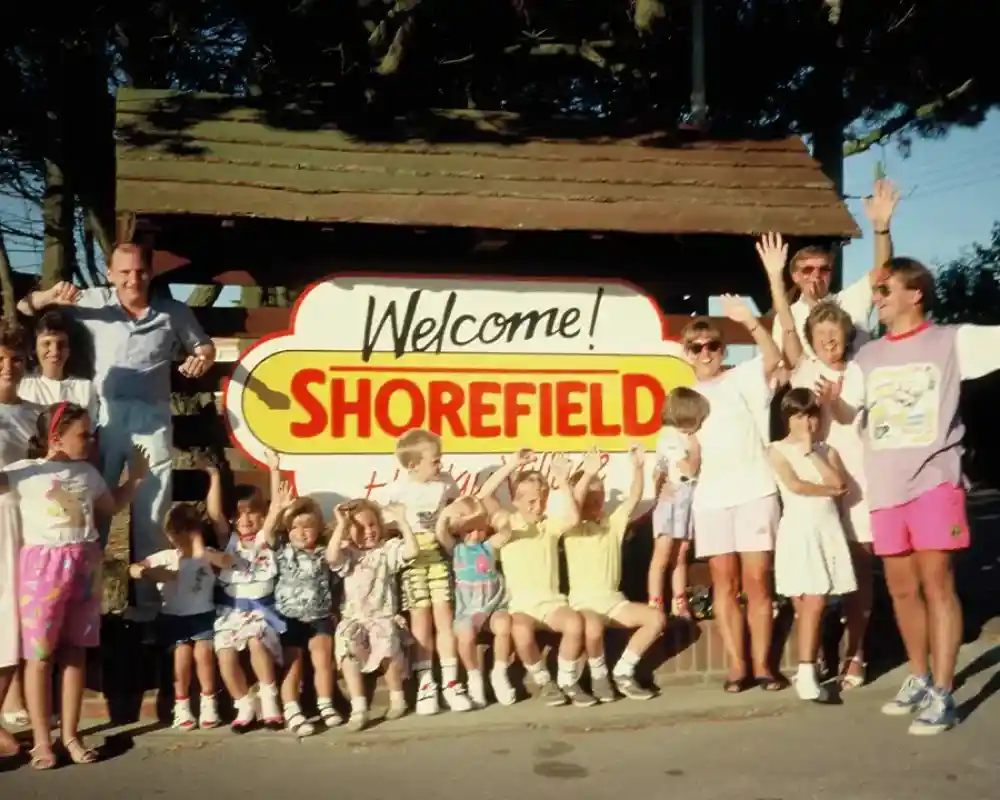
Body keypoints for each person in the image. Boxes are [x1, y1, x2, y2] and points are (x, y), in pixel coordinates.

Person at [831, 256, 1000, 735]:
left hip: (934, 482)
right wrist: (832, 403)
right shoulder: (868, 356)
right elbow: (848, 413)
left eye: (886, 291)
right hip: (885, 488)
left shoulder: (952, 341)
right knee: (902, 589)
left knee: (937, 583)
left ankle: (945, 694)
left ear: (915, 294)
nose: (878, 299)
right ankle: (920, 677)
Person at [17, 243, 216, 622]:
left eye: (140, 271)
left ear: (150, 273)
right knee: (96, 507)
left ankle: (149, 607)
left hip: (153, 419)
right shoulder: (90, 302)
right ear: (110, 274)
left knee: (152, 511)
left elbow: (202, 347)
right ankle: (85, 602)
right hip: (104, 418)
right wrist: (47, 295)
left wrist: (201, 357)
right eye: (124, 272)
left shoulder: (172, 311)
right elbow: (26, 311)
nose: (133, 279)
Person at [1, 402, 148, 770]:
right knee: (39, 656)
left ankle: (70, 733)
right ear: (55, 438)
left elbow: (110, 505)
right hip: (42, 568)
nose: (91, 441)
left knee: (76, 651)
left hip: (84, 564)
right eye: (83, 434)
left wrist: (136, 480)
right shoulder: (23, 472)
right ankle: (40, 741)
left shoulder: (88, 473)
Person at [758, 232, 874, 689]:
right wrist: (773, 276)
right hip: (815, 479)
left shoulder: (863, 367)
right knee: (820, 568)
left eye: (836, 334)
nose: (830, 340)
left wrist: (881, 230)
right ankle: (821, 655)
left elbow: (881, 277)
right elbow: (787, 326)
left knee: (860, 567)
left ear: (847, 334)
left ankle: (858, 654)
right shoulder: (805, 367)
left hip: (860, 477)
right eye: (821, 335)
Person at [682, 294, 787, 693]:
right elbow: (688, 459)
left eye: (712, 346)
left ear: (722, 349)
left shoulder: (743, 376)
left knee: (758, 581)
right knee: (723, 583)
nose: (706, 353)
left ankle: (764, 665)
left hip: (756, 490)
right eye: (697, 347)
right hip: (711, 498)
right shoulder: (684, 396)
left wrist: (750, 321)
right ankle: (737, 665)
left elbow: (774, 356)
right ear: (687, 353)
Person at [478, 452, 594, 707]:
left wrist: (562, 481)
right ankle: (544, 681)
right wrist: (513, 465)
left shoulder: (549, 525)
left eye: (541, 500)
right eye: (530, 501)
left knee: (575, 623)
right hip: (521, 606)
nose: (537, 506)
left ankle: (567, 680)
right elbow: (485, 496)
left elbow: (574, 519)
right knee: (520, 630)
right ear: (515, 501)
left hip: (551, 603)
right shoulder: (507, 522)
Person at [767, 388, 856, 702]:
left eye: (811, 414)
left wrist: (811, 453)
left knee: (816, 602)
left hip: (825, 528)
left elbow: (839, 484)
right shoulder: (776, 449)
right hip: (798, 530)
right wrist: (827, 491)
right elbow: (794, 485)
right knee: (806, 603)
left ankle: (807, 670)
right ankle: (807, 670)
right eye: (799, 415)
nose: (806, 422)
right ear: (788, 418)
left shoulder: (826, 450)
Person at [564, 446, 666, 701]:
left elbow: (634, 496)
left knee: (656, 619)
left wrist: (638, 467)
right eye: (590, 496)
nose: (596, 502)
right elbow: (573, 505)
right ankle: (595, 677)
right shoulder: (571, 528)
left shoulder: (613, 522)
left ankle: (623, 672)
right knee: (593, 626)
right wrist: (587, 474)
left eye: (600, 496)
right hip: (584, 605)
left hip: (614, 603)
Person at [385, 428, 470, 715]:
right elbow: (388, 525)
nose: (440, 465)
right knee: (420, 620)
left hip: (438, 552)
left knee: (444, 618)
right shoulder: (397, 491)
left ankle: (450, 681)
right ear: (413, 465)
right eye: (434, 460)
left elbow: (455, 511)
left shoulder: (445, 484)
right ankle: (425, 684)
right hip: (413, 559)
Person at [258, 452, 340, 737]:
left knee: (323, 658)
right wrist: (275, 475)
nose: (302, 532)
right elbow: (269, 529)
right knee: (293, 662)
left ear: (318, 528)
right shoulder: (282, 548)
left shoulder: (323, 552)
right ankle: (292, 708)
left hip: (319, 614)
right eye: (296, 526)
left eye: (308, 526)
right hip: (290, 616)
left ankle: (325, 703)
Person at [770, 179, 899, 361]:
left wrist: (881, 229)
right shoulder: (787, 317)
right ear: (795, 276)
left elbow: (882, 272)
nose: (816, 275)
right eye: (807, 270)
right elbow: (787, 366)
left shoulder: (851, 299)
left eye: (824, 269)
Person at [129, 499, 222, 731]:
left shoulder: (208, 556)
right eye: (174, 535)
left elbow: (227, 564)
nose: (178, 540)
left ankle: (209, 701)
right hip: (174, 618)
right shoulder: (166, 557)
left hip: (203, 615)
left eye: (186, 533)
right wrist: (148, 572)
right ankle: (182, 705)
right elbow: (133, 568)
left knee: (203, 651)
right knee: (181, 654)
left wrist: (201, 551)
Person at [329, 499, 418, 732]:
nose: (368, 531)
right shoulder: (348, 554)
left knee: (386, 640)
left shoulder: (386, 550)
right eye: (359, 527)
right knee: (346, 643)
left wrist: (401, 521)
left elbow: (412, 551)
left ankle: (397, 698)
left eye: (372, 525)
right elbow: (331, 557)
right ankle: (359, 707)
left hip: (382, 616)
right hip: (355, 618)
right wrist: (341, 525)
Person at [212, 481, 284, 733]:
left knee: (256, 640)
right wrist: (213, 477)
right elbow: (214, 514)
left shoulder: (266, 539)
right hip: (231, 614)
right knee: (224, 652)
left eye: (251, 511)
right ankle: (244, 702)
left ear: (262, 515)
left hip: (262, 613)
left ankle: (269, 698)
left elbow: (276, 506)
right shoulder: (229, 541)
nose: (245, 518)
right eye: (239, 513)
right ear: (232, 518)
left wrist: (273, 471)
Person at [0, 323, 40, 759]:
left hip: (29, 520)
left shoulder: (32, 413)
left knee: (18, 614)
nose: (7, 367)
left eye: (14, 359)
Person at [435, 496, 517, 708]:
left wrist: (499, 519)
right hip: (468, 608)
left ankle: (499, 673)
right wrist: (450, 515)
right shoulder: (456, 548)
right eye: (468, 529)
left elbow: (506, 533)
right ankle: (474, 676)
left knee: (504, 626)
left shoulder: (488, 546)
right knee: (465, 635)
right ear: (459, 531)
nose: (475, 534)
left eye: (479, 529)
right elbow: (440, 532)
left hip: (492, 603)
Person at [648, 387, 709, 618]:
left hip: (689, 498)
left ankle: (680, 600)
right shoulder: (669, 435)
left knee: (682, 552)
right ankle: (655, 602)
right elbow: (688, 467)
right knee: (662, 553)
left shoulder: (691, 436)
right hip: (672, 500)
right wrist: (695, 451)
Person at [17, 310, 98, 424]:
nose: (55, 351)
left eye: (61, 344)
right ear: (34, 350)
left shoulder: (84, 388)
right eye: (46, 344)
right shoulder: (23, 386)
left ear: (69, 350)